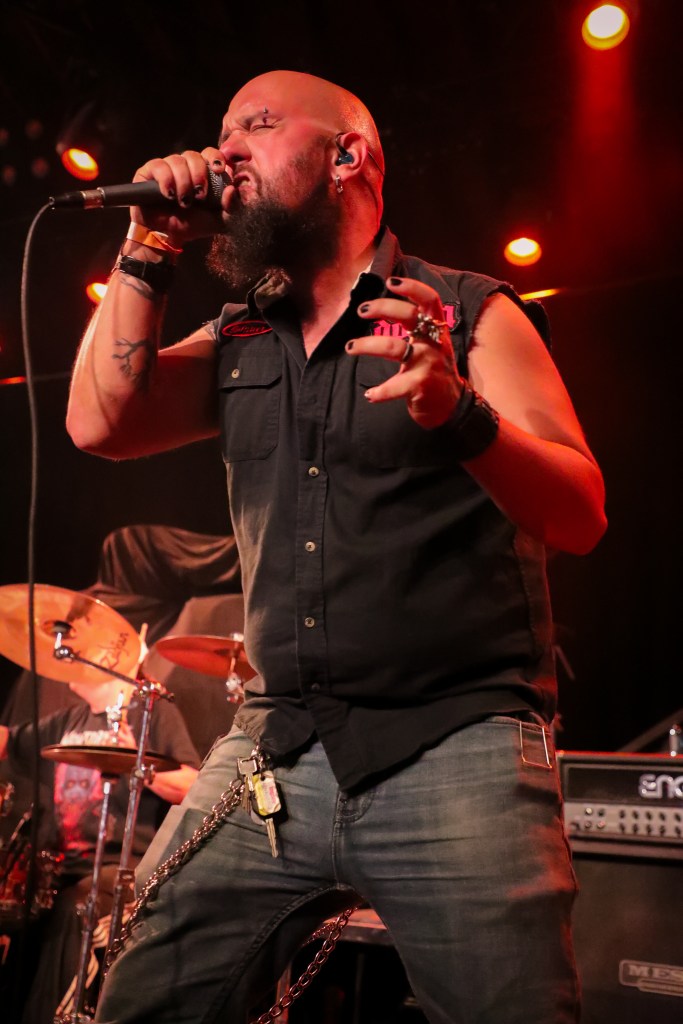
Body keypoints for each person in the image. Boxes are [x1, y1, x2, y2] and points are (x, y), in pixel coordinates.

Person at [66, 69, 607, 1024]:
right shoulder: (240, 332)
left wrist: (460, 414)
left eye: (257, 125)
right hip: (274, 743)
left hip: (455, 748)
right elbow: (99, 424)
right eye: (221, 130)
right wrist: (148, 242)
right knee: (139, 997)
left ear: (346, 156)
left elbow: (580, 513)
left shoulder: (471, 311)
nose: (224, 151)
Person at [0, 676, 199, 1022]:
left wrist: (138, 763)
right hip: (63, 867)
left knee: (76, 906)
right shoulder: (69, 720)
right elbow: (8, 741)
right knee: (22, 909)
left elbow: (192, 785)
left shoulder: (152, 712)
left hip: (123, 868)